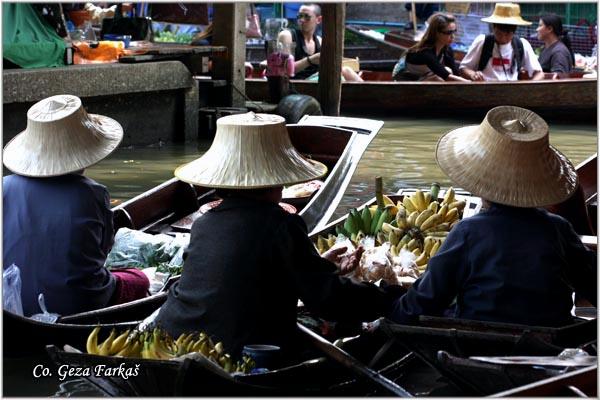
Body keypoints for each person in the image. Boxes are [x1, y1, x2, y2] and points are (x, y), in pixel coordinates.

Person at [154, 112, 397, 358]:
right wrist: (387, 299)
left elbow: (249, 274)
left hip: (174, 333)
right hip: (237, 349)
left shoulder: (204, 223)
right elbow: (327, 299)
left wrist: (323, 266)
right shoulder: (282, 225)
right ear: (276, 183)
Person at [390, 105, 596, 327]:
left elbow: (423, 302)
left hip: (481, 344)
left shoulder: (467, 232)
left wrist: (390, 304)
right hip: (552, 344)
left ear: (480, 182)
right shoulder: (558, 229)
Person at [3, 94, 149, 317]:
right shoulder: (92, 193)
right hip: (79, 302)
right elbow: (103, 252)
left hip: (10, 300)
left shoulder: (4, 186)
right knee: (140, 280)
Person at [277, 3, 363, 82]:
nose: (302, 20)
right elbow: (284, 70)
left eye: (307, 17)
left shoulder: (319, 41)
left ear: (318, 19)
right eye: (299, 16)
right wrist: (310, 60)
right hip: (295, 84)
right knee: (343, 74)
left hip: (316, 83)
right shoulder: (287, 36)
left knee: (345, 70)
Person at [459, 3, 544, 81]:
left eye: (508, 35)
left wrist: (530, 87)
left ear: (514, 32)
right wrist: (473, 75)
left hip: (512, 92)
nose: (503, 38)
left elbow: (539, 73)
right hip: (485, 91)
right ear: (493, 28)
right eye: (499, 34)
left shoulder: (522, 44)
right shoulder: (482, 41)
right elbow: (464, 68)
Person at [392, 13, 468, 82]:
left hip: (423, 76)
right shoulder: (426, 52)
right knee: (438, 79)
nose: (452, 36)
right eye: (448, 33)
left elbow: (455, 72)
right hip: (405, 81)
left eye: (454, 31)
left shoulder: (447, 49)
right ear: (436, 33)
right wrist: (470, 84)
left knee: (448, 70)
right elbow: (446, 77)